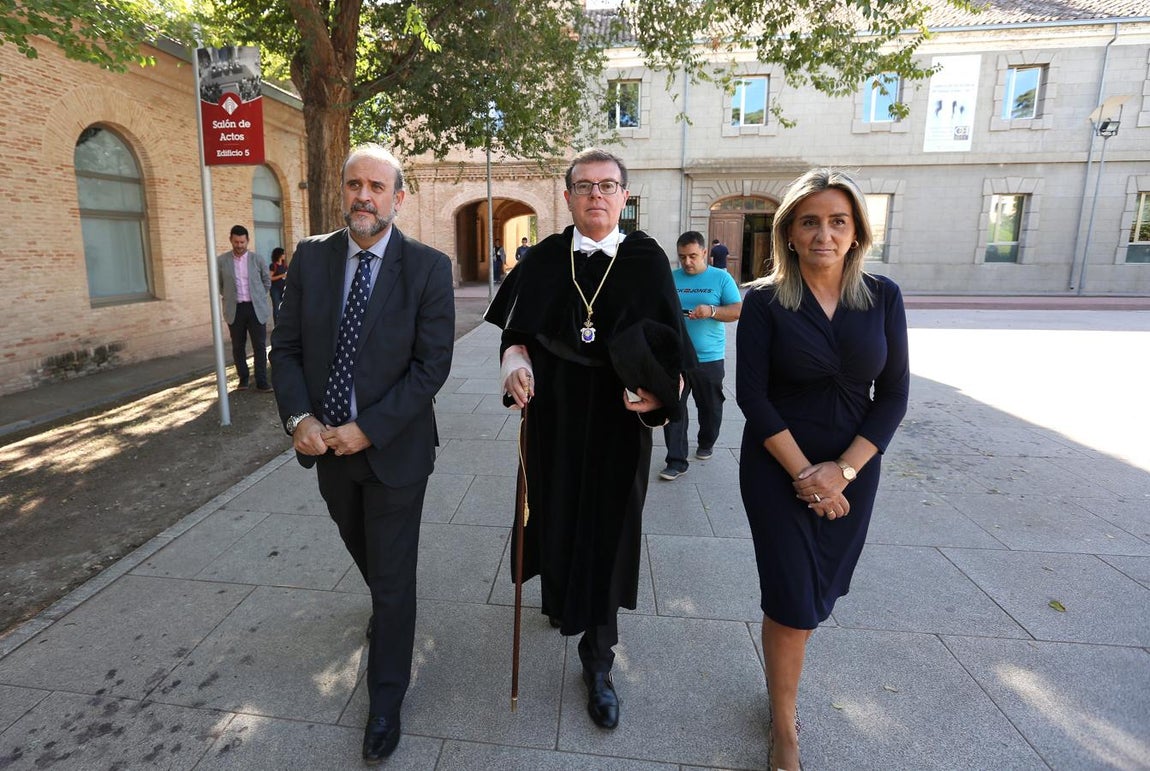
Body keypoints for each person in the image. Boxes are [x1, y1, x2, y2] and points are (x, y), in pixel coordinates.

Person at [485, 148, 693, 731]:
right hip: (553, 415)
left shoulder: (648, 259)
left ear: (623, 197)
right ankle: (563, 601)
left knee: (609, 529)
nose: (596, 195)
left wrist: (659, 396)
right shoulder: (547, 257)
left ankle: (598, 663)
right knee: (555, 514)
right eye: (584, 186)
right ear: (569, 195)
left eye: (608, 186)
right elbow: (516, 335)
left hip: (619, 422)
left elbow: (674, 350)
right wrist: (513, 366)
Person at [269, 143, 455, 764]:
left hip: (394, 451)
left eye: (377, 186)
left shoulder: (427, 268)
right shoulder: (312, 260)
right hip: (327, 451)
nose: (363, 197)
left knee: (395, 576)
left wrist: (368, 428)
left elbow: (431, 369)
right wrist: (299, 418)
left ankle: (384, 702)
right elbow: (286, 349)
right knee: (367, 553)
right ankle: (388, 607)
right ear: (342, 192)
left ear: (398, 198)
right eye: (354, 185)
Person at [735, 168, 908, 770]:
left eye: (838, 221)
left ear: (858, 231)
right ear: (789, 232)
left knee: (818, 592)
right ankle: (785, 727)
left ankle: (779, 689)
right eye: (810, 222)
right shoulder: (762, 300)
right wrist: (809, 475)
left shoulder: (883, 296)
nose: (824, 234)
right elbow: (752, 398)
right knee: (791, 598)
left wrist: (844, 473)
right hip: (777, 467)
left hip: (854, 470)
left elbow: (893, 395)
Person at [659, 231, 742, 480]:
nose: (687, 262)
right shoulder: (670, 278)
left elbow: (737, 310)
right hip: (676, 358)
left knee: (710, 407)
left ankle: (706, 441)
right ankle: (676, 460)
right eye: (682, 257)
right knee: (674, 408)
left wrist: (712, 311)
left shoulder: (721, 278)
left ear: (705, 253)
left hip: (709, 358)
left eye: (693, 256)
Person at [216, 224, 272, 392]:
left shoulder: (258, 259)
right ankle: (244, 379)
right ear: (231, 241)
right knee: (238, 346)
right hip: (235, 309)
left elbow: (266, 281)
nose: (239, 245)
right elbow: (219, 285)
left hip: (255, 309)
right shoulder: (221, 261)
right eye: (236, 242)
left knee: (260, 346)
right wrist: (230, 297)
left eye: (242, 242)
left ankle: (261, 381)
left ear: (247, 241)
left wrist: (259, 296)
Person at [269, 246, 287, 324]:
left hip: (284, 289)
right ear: (279, 255)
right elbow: (270, 278)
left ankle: (283, 324)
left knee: (284, 307)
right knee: (276, 308)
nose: (284, 255)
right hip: (275, 289)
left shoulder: (285, 265)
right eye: (283, 254)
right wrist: (281, 276)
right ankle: (277, 325)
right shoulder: (273, 266)